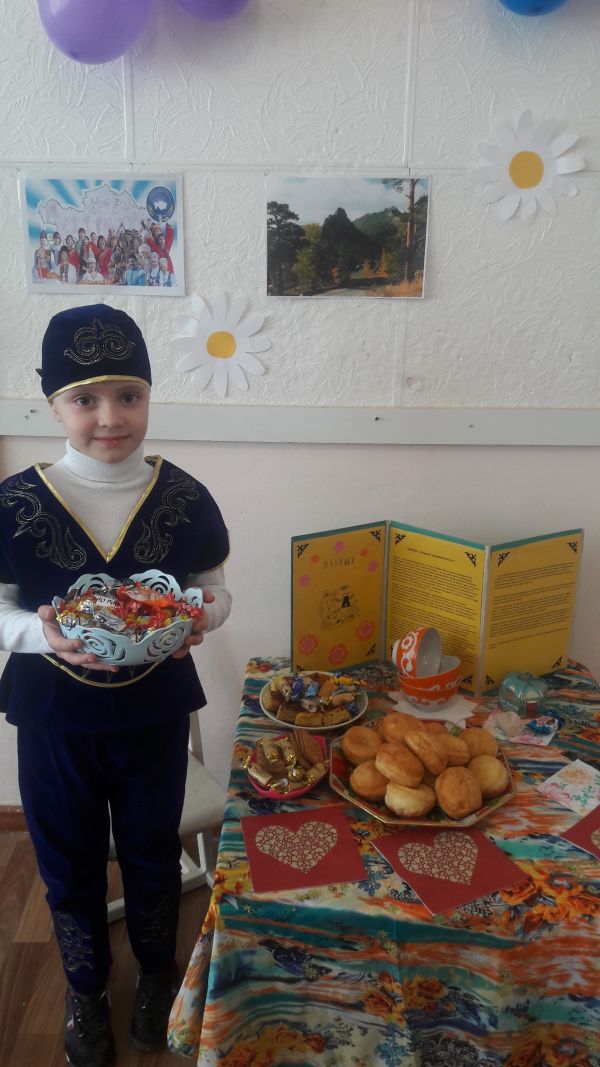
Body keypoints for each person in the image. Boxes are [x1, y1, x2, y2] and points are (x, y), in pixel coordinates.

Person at [0, 304, 231, 1067]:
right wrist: (42, 634)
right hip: (53, 720)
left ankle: (158, 975)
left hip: (153, 714)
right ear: (52, 403)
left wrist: (199, 616)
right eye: (85, 397)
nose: (109, 417)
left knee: (152, 851)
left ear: (149, 395)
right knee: (66, 862)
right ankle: (85, 988)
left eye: (128, 394)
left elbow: (214, 587)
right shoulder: (16, 504)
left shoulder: (184, 496)